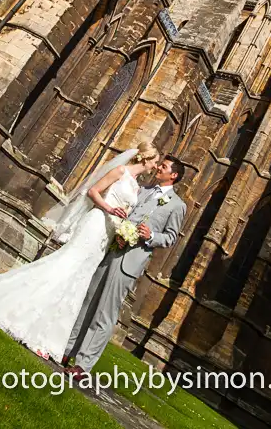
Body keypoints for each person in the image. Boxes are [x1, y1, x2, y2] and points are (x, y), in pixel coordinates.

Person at [0, 143, 160, 362]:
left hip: (106, 234)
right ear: (145, 158)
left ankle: (47, 338)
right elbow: (93, 191)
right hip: (95, 224)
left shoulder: (137, 187)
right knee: (65, 267)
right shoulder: (119, 171)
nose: (155, 166)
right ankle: (22, 314)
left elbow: (127, 210)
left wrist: (123, 228)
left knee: (79, 279)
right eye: (154, 161)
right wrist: (109, 208)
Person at [64, 157, 186, 377]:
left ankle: (83, 365)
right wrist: (121, 231)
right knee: (89, 300)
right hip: (114, 248)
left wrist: (151, 236)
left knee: (105, 312)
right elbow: (128, 212)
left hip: (131, 262)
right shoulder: (145, 190)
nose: (159, 167)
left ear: (174, 175)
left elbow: (170, 238)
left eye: (164, 167)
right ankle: (68, 349)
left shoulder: (178, 206)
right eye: (160, 164)